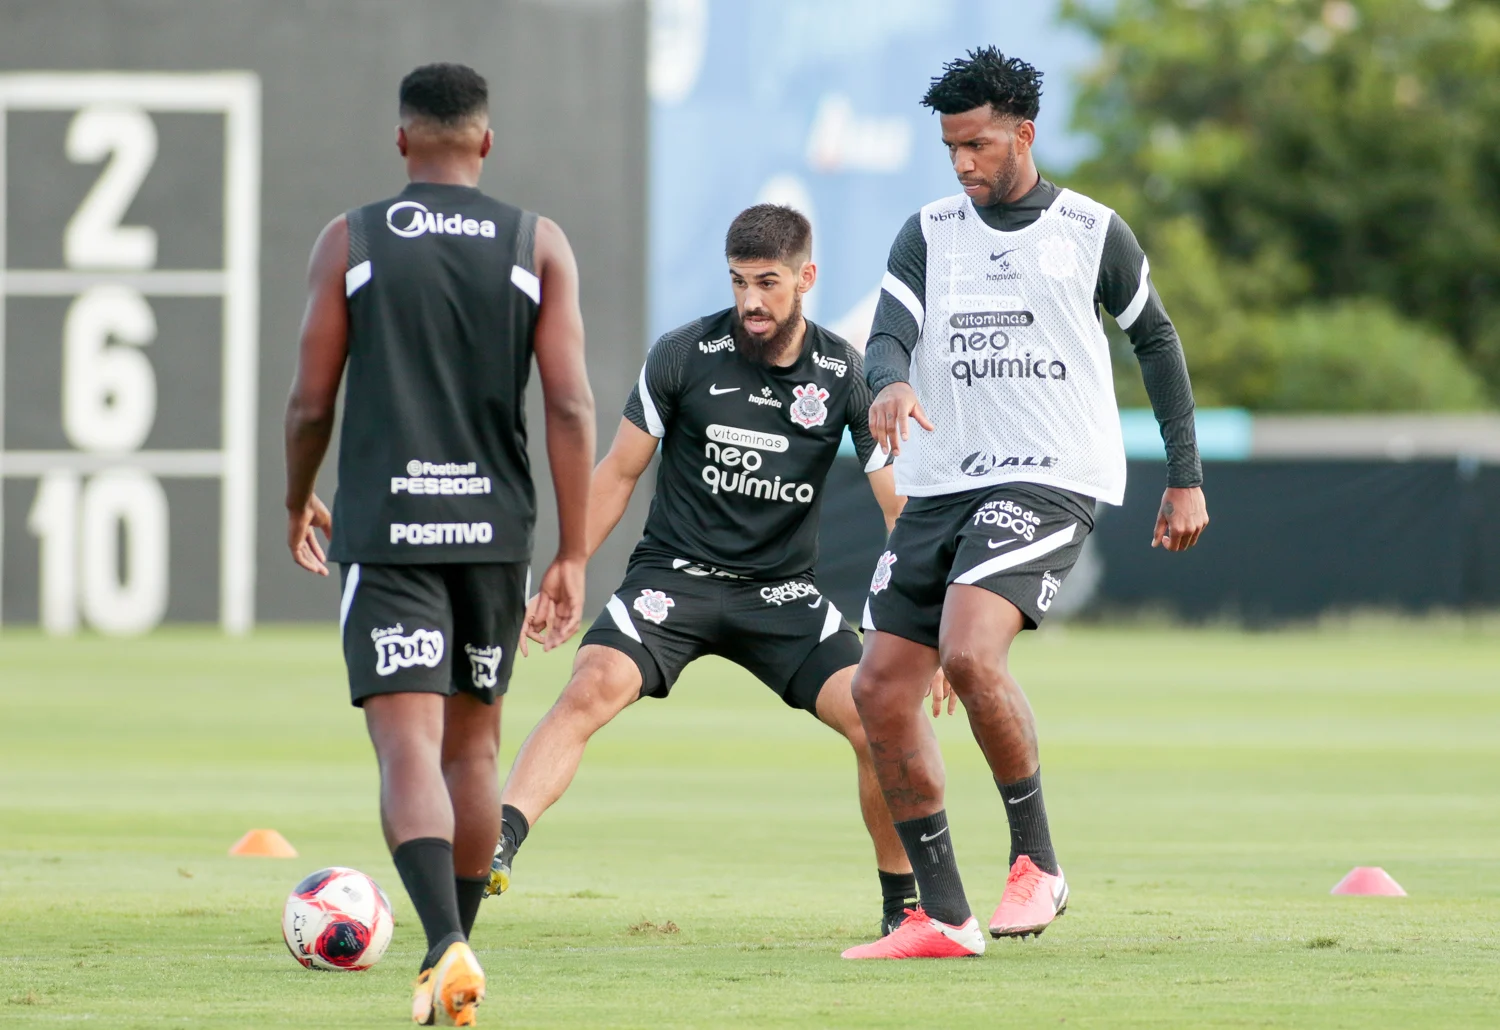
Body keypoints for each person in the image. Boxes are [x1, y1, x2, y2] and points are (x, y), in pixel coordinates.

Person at [841, 48, 1210, 960]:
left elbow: (1155, 342)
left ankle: (1036, 864)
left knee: (968, 652)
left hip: (1050, 472)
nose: (963, 164)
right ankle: (943, 915)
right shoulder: (927, 232)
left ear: (1024, 134)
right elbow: (889, 334)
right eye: (950, 148)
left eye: (978, 144)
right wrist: (887, 384)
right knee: (880, 688)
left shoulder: (1092, 231)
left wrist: (1185, 473)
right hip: (940, 481)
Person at [485, 204, 939, 937]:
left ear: (806, 278)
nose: (752, 302)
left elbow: (898, 510)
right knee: (589, 687)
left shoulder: (844, 373)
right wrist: (567, 565)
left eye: (768, 282)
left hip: (782, 596)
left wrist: (922, 622)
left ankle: (903, 910)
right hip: (674, 579)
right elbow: (619, 471)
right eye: (739, 283)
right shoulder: (681, 355)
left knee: (877, 718)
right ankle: (497, 844)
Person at [282, 63, 595, 1023]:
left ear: (402, 141)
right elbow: (572, 403)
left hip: (389, 528)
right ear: (487, 143)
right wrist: (573, 552)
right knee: (473, 749)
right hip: (494, 535)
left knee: (405, 744)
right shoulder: (536, 242)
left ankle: (444, 946)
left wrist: (296, 498)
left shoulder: (354, 238)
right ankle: (451, 954)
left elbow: (309, 399)